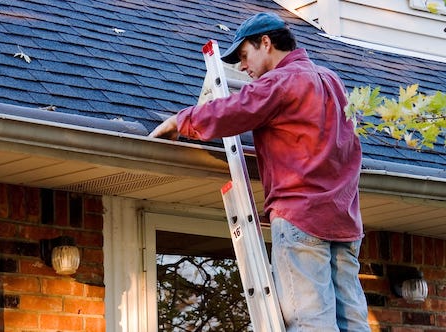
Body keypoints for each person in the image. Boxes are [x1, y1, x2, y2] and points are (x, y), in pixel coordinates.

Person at [149, 12, 370, 332]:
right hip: (345, 221)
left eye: (244, 55)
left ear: (265, 43)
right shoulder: (332, 81)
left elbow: (235, 110)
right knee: (352, 322)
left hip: (301, 218)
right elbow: (351, 147)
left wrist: (178, 121)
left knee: (311, 324)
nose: (241, 67)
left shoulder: (282, 81)